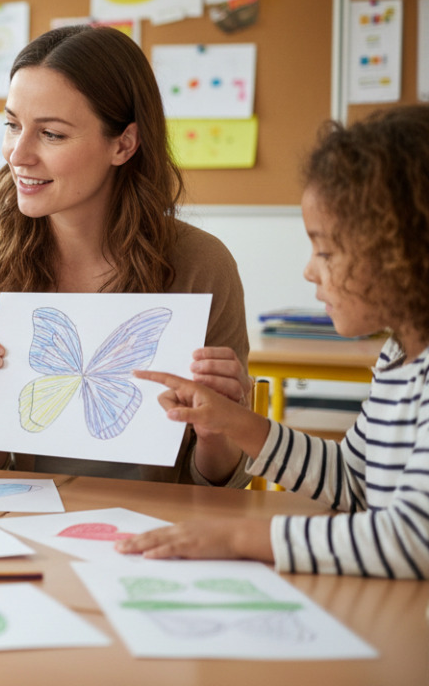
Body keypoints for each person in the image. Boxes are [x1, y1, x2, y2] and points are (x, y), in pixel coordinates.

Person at [118, 105, 429, 578]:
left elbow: (413, 539)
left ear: (405, 254)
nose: (308, 270)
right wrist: (237, 422)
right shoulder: (398, 358)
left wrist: (240, 537)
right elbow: (353, 479)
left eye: (326, 251)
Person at [0, 25, 253, 486]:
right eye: (12, 125)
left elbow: (222, 482)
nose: (18, 154)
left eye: (51, 134)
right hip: (27, 527)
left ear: (123, 144)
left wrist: (217, 431)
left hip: (158, 534)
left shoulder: (202, 265)